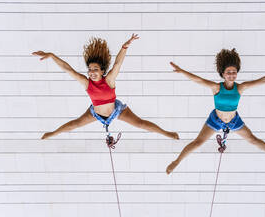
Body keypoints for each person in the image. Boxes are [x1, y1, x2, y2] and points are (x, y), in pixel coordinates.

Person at [166, 48, 265, 174]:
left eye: (234, 72)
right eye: (228, 72)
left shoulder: (240, 88)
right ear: (223, 74)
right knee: (198, 142)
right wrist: (181, 71)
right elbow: (198, 79)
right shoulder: (216, 87)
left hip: (234, 121)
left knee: (253, 139)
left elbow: (264, 80)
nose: (231, 75)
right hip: (216, 120)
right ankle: (177, 161)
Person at [32, 34, 179, 141]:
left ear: (102, 71)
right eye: (90, 70)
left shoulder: (108, 80)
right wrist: (51, 55)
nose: (92, 72)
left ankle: (167, 133)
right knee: (76, 123)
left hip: (116, 110)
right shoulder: (87, 83)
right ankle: (52, 134)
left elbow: (117, 64)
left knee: (140, 123)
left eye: (95, 69)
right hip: (96, 114)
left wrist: (124, 47)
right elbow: (69, 70)